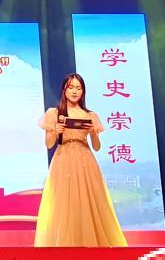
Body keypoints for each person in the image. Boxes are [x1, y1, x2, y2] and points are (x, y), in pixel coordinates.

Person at [34, 72, 127, 247]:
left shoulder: (90, 115)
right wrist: (55, 131)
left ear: (83, 92)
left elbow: (97, 147)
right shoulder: (54, 113)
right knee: (64, 205)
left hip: (86, 161)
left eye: (79, 88)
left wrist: (93, 133)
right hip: (63, 160)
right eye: (71, 87)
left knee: (89, 203)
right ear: (64, 90)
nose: (75, 91)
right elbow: (49, 144)